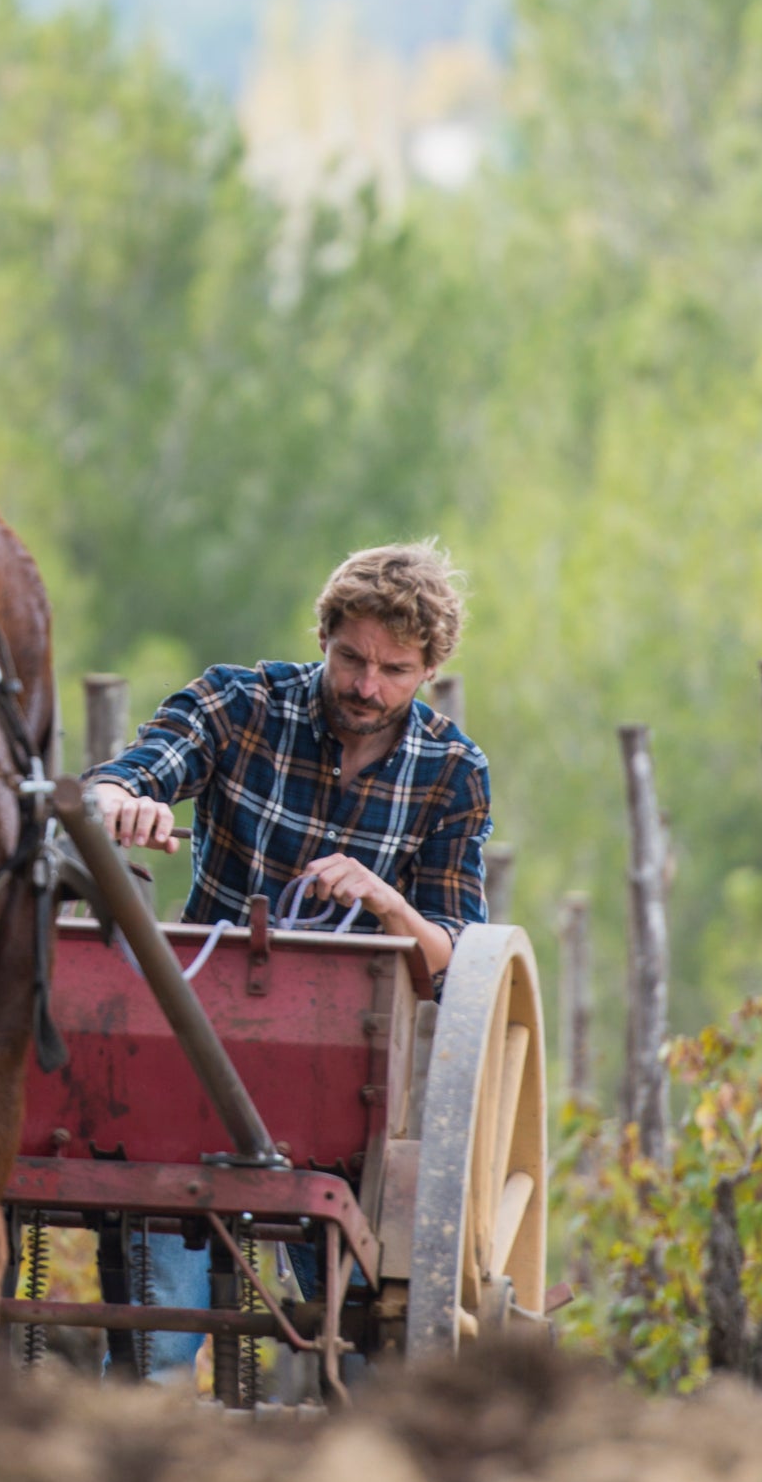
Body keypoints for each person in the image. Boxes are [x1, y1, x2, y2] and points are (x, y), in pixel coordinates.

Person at [80, 540, 490, 1387]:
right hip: (197, 1049)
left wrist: (382, 896)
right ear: (325, 636)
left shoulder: (453, 774)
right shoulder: (241, 703)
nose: (366, 686)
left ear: (430, 670)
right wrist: (126, 803)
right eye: (351, 657)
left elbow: (455, 955)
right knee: (158, 1354)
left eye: (394, 669)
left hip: (349, 1083)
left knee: (369, 1363)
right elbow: (123, 776)